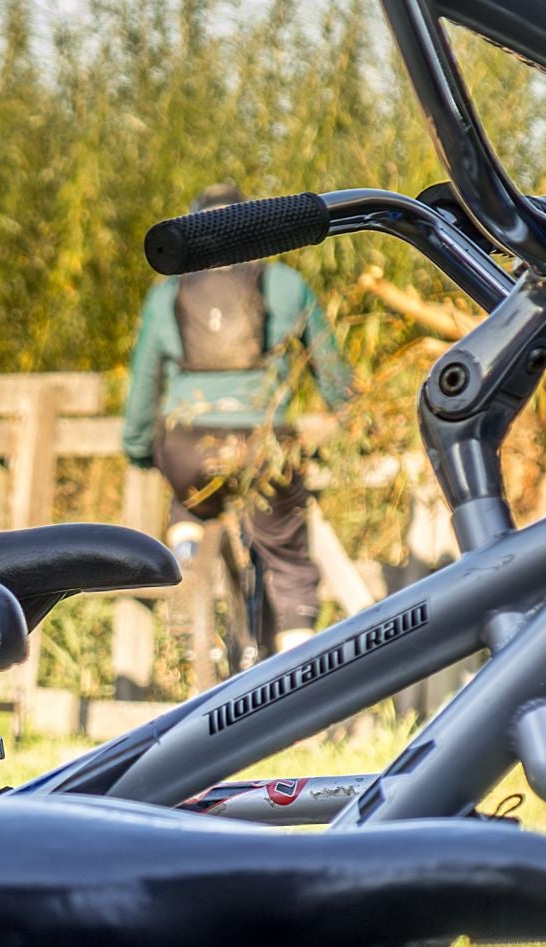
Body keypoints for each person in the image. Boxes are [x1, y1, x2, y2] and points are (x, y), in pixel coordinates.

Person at [119, 182, 353, 654]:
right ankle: (295, 662)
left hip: (188, 448)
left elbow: (144, 386)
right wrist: (349, 423)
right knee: (287, 556)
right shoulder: (286, 284)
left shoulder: (167, 294)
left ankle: (183, 555)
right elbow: (333, 374)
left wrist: (141, 450)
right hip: (263, 446)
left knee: (190, 492)